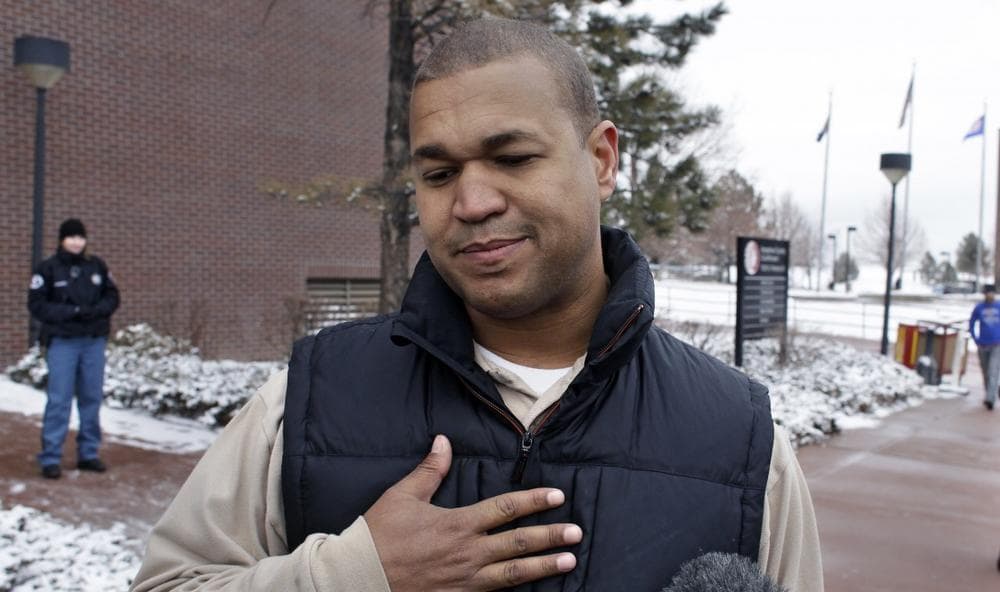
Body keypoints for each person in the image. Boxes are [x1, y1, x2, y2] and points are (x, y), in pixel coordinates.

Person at [132, 19, 822, 592]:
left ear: (603, 160)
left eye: (514, 157)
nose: (471, 202)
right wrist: (354, 575)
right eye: (439, 173)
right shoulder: (302, 405)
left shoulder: (743, 443)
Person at [28, 218, 119, 479]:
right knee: (59, 400)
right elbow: (36, 304)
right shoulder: (48, 269)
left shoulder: (97, 266)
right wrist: (72, 312)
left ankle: (88, 454)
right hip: (63, 343)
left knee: (91, 398)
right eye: (71, 237)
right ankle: (50, 457)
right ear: (62, 239)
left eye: (80, 237)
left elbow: (112, 297)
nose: (77, 242)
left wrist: (94, 313)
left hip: (93, 342)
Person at [968, 283, 1000, 410]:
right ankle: (990, 392)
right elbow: (971, 323)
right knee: (986, 371)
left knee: (993, 370)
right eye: (988, 293)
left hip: (997, 345)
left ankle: (990, 399)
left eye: (992, 293)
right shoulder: (979, 308)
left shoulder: (998, 306)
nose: (990, 295)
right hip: (982, 344)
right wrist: (975, 338)